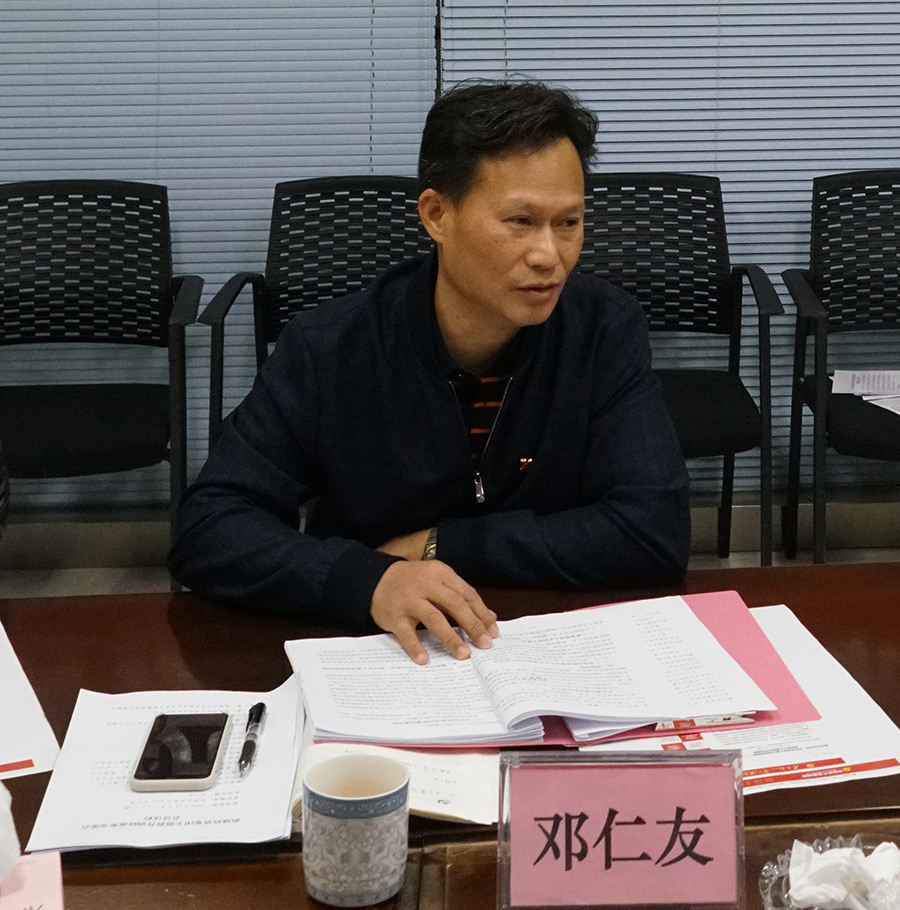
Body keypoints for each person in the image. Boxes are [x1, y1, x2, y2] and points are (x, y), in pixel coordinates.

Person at [168, 80, 690, 664]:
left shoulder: (602, 329)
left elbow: (654, 529)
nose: (549, 255)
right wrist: (369, 579)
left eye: (568, 223)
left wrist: (443, 545)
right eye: (520, 221)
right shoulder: (332, 347)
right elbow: (210, 527)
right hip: (378, 647)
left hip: (541, 643)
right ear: (437, 215)